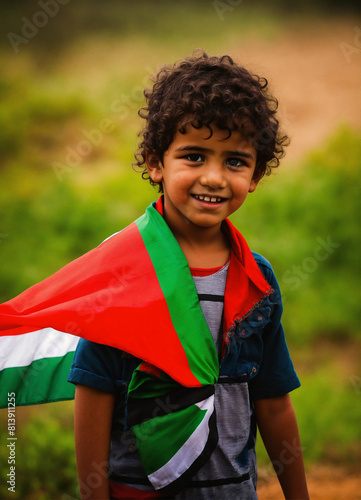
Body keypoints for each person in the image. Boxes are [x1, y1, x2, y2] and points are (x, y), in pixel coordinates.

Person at [68, 51, 309, 500]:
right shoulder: (124, 271)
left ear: (255, 173)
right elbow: (93, 394)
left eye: (235, 161)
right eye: (194, 156)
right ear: (155, 162)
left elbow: (273, 403)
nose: (215, 178)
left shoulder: (257, 279)